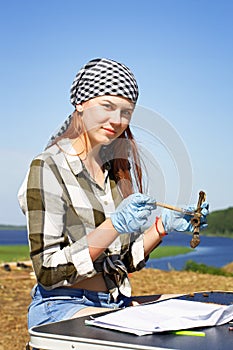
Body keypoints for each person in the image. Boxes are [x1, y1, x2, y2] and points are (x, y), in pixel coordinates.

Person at [18, 58, 209, 329]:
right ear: (81, 104)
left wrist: (162, 226)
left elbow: (123, 261)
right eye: (107, 106)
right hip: (62, 304)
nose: (117, 121)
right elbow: (48, 270)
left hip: (113, 301)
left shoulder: (114, 172)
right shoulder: (48, 167)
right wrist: (114, 225)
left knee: (199, 316)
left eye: (126, 112)